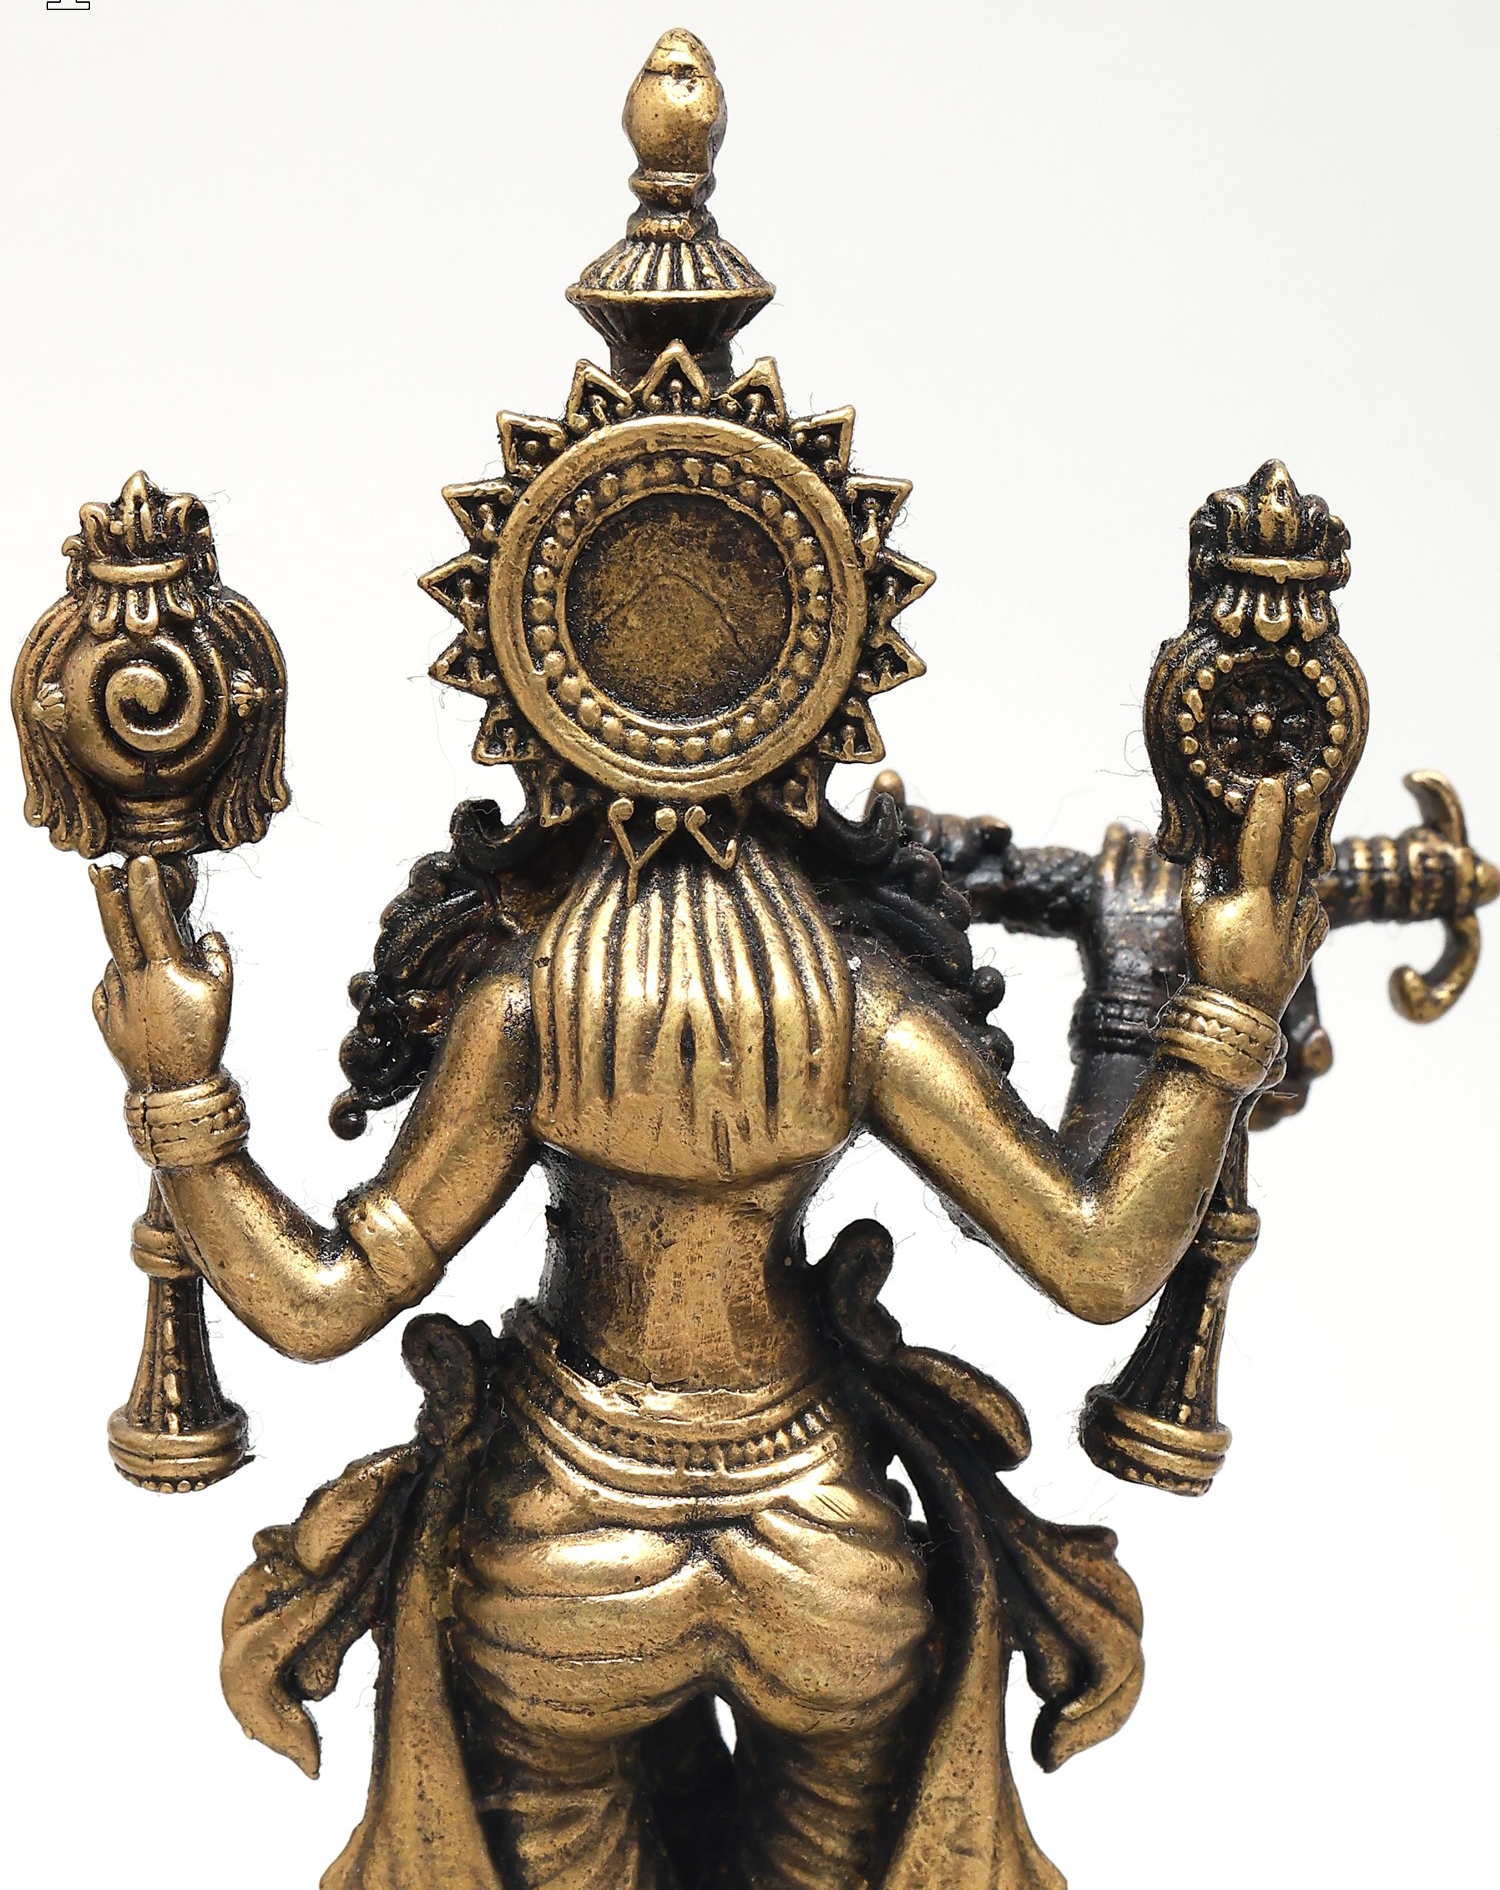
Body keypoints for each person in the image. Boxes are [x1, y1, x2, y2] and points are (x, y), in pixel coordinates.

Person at [89, 762, 1321, 1890]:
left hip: (560, 1542)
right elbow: (1098, 1256)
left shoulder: (530, 1003)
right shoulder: (854, 999)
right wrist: (1210, 1009)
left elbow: (322, 1300)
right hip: (827, 1549)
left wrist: (178, 1083)